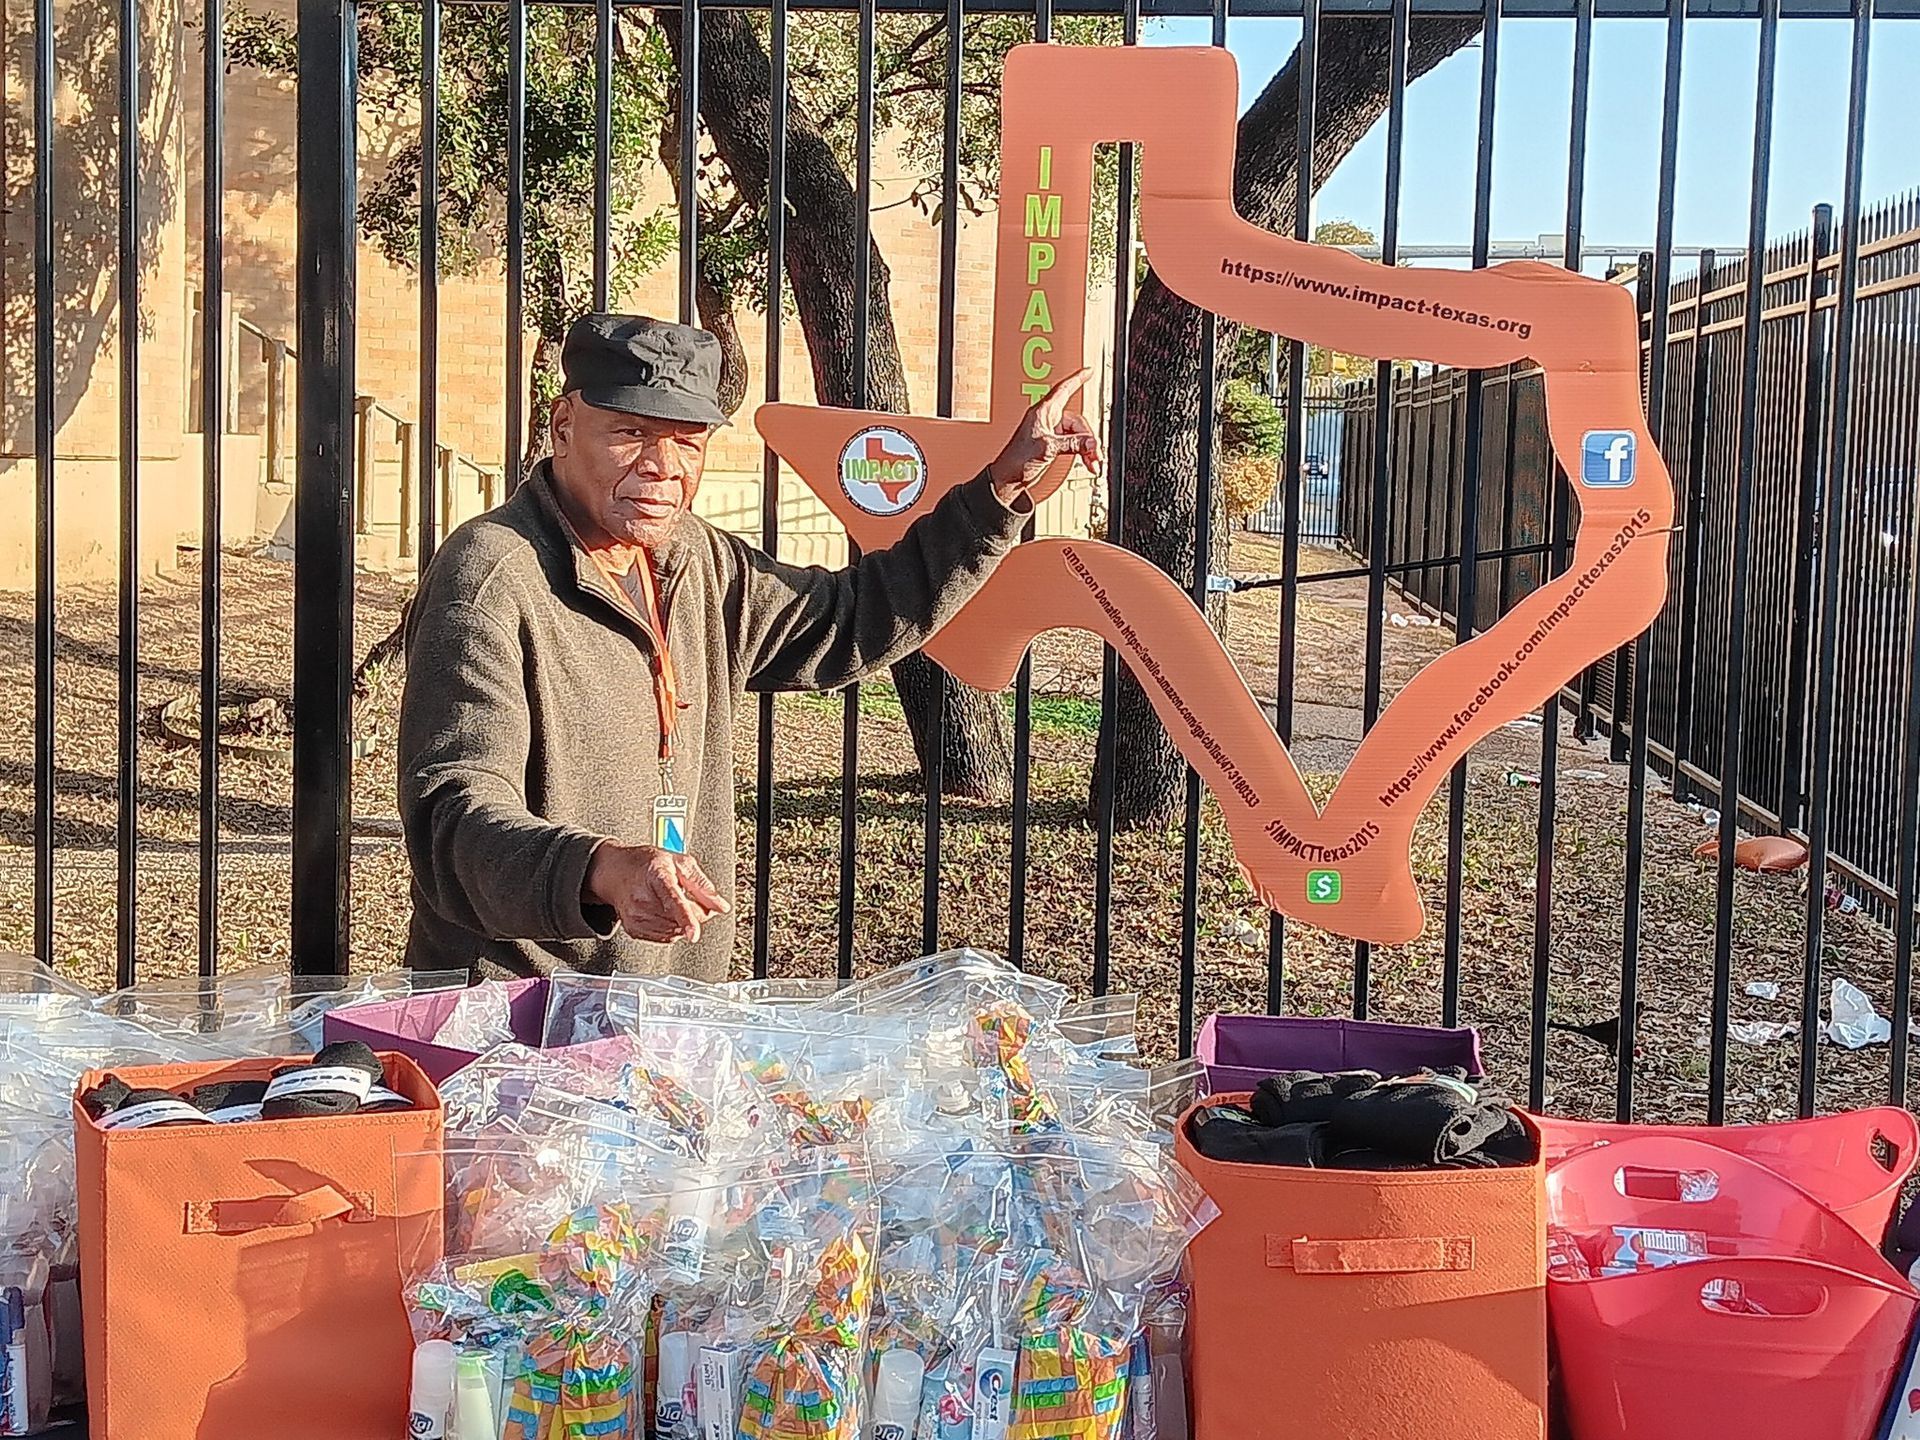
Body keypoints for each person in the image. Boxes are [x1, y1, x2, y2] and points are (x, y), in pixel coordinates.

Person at [398, 313, 1102, 981]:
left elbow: (849, 618)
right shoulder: (492, 577)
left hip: (664, 1015)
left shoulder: (693, 560)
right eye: (630, 432)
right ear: (562, 426)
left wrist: (1000, 486)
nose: (662, 467)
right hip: (513, 1023)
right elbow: (452, 818)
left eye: (687, 441)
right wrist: (600, 870)